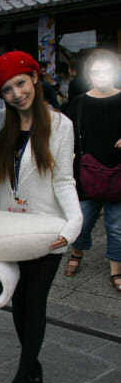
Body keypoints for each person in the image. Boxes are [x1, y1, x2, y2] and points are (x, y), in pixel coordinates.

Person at [0, 51, 83, 383]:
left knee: (35, 302)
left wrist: (74, 223)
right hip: (9, 229)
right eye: (7, 89)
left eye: (21, 83)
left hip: (47, 229)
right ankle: (34, 367)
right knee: (19, 306)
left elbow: (63, 180)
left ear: (34, 78)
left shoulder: (61, 125)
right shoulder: (0, 124)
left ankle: (19, 382)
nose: (17, 94)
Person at [64, 49, 121, 292]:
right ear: (89, 75)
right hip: (86, 175)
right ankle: (76, 253)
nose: (101, 75)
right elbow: (65, 134)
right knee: (83, 221)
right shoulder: (79, 102)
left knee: (117, 226)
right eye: (96, 71)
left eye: (106, 70)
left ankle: (116, 269)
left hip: (118, 173)